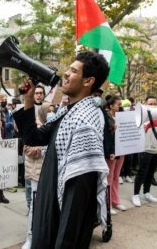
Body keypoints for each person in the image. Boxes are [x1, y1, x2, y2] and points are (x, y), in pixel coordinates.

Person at [14, 51, 109, 248]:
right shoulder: (68, 112)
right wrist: (29, 100)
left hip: (60, 221)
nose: (65, 73)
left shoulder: (84, 123)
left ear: (88, 81)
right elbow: (34, 137)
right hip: (49, 208)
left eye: (73, 70)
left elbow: (77, 200)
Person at [22, 103, 50, 249]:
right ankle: (30, 238)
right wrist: (44, 148)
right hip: (37, 175)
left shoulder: (54, 128)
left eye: (53, 110)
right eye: (49, 111)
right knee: (34, 208)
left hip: (50, 175)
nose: (52, 113)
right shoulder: (37, 130)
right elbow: (28, 149)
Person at [132, 96, 157, 207]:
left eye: (155, 103)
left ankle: (147, 192)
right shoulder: (141, 116)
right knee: (142, 172)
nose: (153, 105)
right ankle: (135, 194)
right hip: (144, 149)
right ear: (145, 103)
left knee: (151, 172)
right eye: (150, 103)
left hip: (156, 149)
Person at [105, 96, 126, 214]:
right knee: (109, 178)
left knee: (116, 176)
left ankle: (115, 201)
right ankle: (107, 204)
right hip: (111, 152)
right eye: (118, 104)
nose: (120, 107)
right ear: (111, 105)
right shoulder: (106, 116)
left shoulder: (121, 116)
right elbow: (106, 136)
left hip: (121, 150)